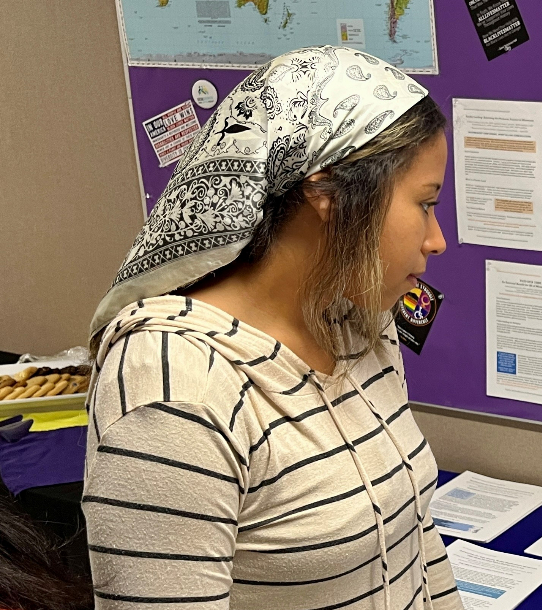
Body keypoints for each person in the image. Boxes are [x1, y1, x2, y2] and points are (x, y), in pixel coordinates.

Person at [83, 47, 460, 609]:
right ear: (326, 193)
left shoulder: (357, 325)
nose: (437, 239)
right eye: (425, 204)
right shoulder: (173, 392)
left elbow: (414, 539)